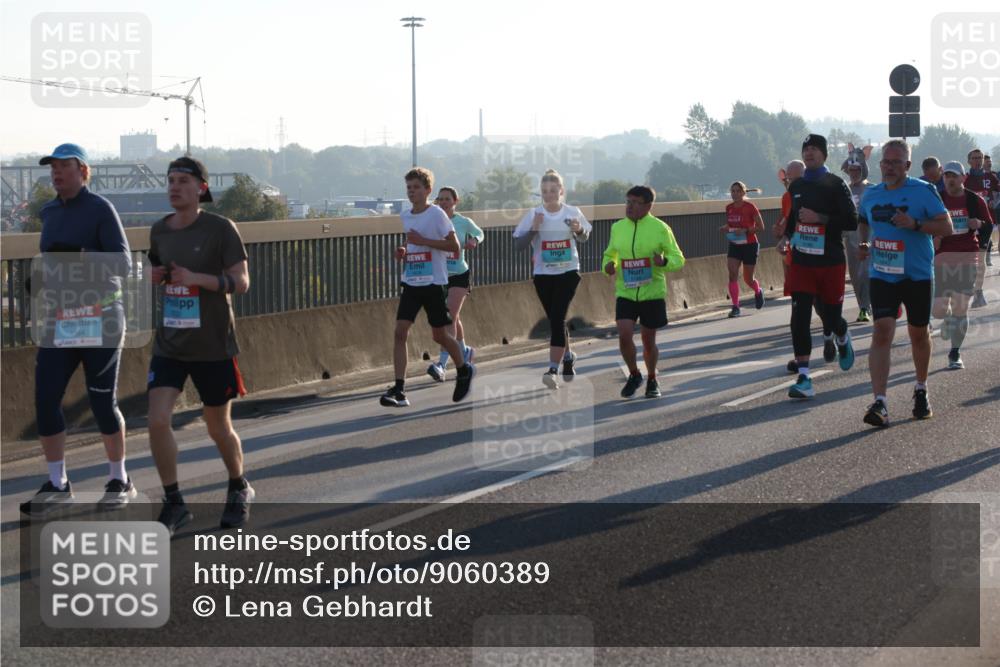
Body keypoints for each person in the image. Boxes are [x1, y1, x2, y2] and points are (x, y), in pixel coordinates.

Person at [20, 143, 136, 517]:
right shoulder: (49, 211)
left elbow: (124, 264)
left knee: (102, 402)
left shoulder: (101, 208)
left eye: (63, 166)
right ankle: (58, 484)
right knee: (45, 399)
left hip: (101, 316)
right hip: (62, 319)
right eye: (52, 167)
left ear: (83, 171)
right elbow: (52, 260)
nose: (55, 173)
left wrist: (82, 255)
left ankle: (119, 479)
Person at [146, 157, 254, 534]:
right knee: (157, 420)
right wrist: (154, 276)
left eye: (183, 181)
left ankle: (238, 486)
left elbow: (241, 282)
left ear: (201, 188)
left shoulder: (220, 228)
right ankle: (174, 501)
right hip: (170, 343)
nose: (174, 187)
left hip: (212, 345)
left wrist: (198, 278)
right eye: (170, 180)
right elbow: (160, 272)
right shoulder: (159, 230)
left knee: (218, 427)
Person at [857, 140, 952, 427]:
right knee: (882, 330)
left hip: (917, 274)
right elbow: (863, 219)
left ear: (907, 165)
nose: (889, 167)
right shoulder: (872, 194)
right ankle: (880, 402)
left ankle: (921, 388)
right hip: (882, 273)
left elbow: (946, 226)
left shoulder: (923, 191)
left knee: (918, 333)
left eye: (896, 162)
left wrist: (915, 225)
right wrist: (864, 241)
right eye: (885, 162)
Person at [380, 167, 475, 407]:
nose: (411, 192)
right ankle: (399, 389)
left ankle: (463, 369)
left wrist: (424, 242)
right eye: (408, 188)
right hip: (412, 280)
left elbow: (454, 246)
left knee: (439, 335)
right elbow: (413, 240)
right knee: (400, 331)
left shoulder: (437, 214)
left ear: (428, 190)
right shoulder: (406, 215)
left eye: (416, 187)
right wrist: (404, 250)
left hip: (434, 283)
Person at [781, 134, 858, 399]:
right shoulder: (797, 186)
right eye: (806, 149)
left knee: (831, 317)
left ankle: (842, 334)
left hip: (830, 261)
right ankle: (804, 377)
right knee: (799, 318)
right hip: (802, 262)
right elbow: (794, 220)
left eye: (814, 149)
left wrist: (820, 218)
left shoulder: (836, 184)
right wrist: (786, 238)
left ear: (824, 154)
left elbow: (851, 221)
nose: (809, 153)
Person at [602, 186, 685, 398]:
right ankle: (634, 374)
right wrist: (608, 266)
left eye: (635, 202)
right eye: (627, 202)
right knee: (624, 336)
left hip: (651, 293)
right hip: (626, 292)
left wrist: (663, 261)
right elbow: (610, 254)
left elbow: (678, 259)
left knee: (648, 342)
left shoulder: (660, 228)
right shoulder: (618, 227)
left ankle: (652, 379)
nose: (629, 206)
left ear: (648, 206)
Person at [513, 169, 593, 389]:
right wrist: (534, 229)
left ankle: (552, 370)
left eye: (553, 190)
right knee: (556, 320)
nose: (548, 195)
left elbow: (585, 237)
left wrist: (579, 230)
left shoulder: (572, 212)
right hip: (543, 275)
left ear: (561, 191)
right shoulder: (534, 214)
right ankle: (567, 356)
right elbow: (518, 245)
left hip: (568, 272)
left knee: (557, 319)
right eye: (544, 191)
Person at [933, 161, 990, 371]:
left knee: (960, 307)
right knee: (938, 311)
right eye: (947, 176)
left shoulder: (974, 200)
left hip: (967, 257)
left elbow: (989, 225)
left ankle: (955, 352)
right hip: (942, 257)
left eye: (954, 176)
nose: (950, 179)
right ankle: (947, 319)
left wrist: (979, 224)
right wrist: (934, 236)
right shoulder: (937, 198)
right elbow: (926, 223)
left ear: (963, 178)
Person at [426, 187, 484, 382]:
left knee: (449, 318)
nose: (443, 202)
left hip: (459, 274)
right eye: (440, 199)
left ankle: (442, 364)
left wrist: (474, 240)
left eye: (447, 199)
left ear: (455, 201)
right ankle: (465, 351)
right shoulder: (433, 221)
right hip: (440, 276)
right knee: (454, 317)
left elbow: (480, 233)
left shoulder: (463, 222)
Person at [775, 160, 806, 374]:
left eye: (796, 179)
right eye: (788, 180)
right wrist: (782, 236)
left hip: (817, 259)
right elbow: (788, 221)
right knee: (798, 308)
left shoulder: (818, 193)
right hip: (794, 256)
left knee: (822, 308)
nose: (791, 184)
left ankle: (833, 334)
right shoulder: (786, 198)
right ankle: (800, 360)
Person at [721, 181, 765, 317]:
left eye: (737, 191)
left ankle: (758, 291)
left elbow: (761, 227)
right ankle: (735, 307)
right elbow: (731, 224)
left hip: (750, 245)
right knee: (732, 274)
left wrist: (745, 230)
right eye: (732, 191)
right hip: (735, 244)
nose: (734, 194)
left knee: (748, 279)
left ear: (743, 193)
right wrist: (726, 228)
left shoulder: (750, 207)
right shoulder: (729, 208)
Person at [965, 149, 999, 305]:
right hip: (969, 223)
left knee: (981, 257)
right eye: (974, 158)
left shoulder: (990, 177)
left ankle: (978, 292)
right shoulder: (965, 179)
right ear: (969, 161)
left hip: (986, 222)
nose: (978, 160)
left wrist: (994, 201)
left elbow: (997, 192)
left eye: (980, 157)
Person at [843, 159, 872, 322]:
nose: (854, 173)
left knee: (867, 273)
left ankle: (874, 303)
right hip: (851, 238)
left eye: (857, 170)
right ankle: (863, 308)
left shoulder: (872, 189)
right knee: (856, 276)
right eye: (851, 170)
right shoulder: (844, 189)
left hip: (870, 238)